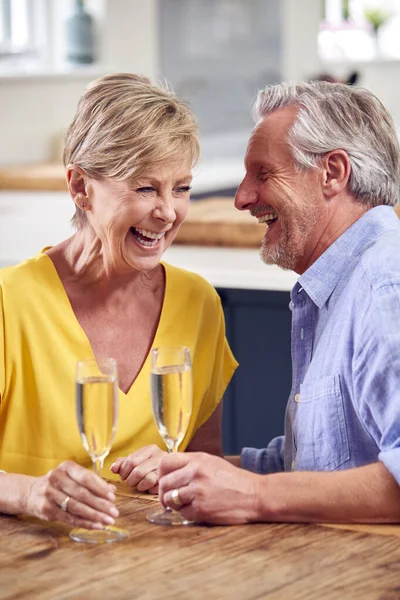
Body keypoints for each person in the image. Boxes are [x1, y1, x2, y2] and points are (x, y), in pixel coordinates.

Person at [0, 73, 237, 530]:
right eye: (145, 188)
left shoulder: (198, 303)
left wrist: (176, 473)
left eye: (181, 188)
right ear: (80, 187)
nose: (167, 212)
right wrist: (29, 492)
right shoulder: (11, 303)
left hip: (153, 567)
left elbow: (206, 467)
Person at [157, 80, 400, 525]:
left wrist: (255, 494)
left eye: (263, 173)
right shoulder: (336, 285)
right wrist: (198, 473)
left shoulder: (386, 287)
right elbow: (311, 465)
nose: (241, 197)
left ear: (332, 173)